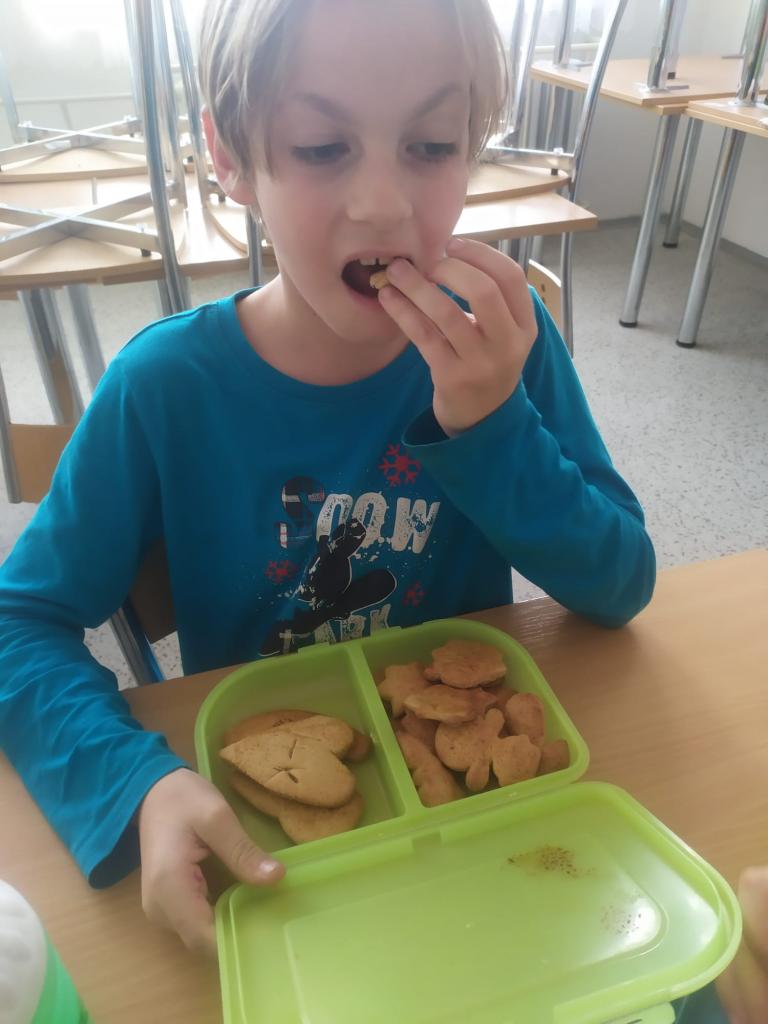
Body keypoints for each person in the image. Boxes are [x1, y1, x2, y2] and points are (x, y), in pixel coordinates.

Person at [0, 0, 656, 958]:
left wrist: (491, 427)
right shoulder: (165, 388)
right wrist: (135, 785)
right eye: (321, 147)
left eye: (431, 145)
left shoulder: (504, 351)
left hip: (478, 826)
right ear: (229, 158)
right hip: (287, 863)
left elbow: (620, 584)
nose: (385, 204)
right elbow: (18, 623)